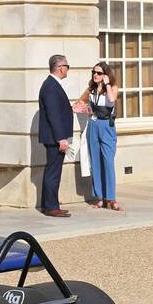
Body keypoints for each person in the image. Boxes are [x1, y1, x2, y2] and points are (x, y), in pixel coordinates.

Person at [79, 62, 121, 211]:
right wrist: (85, 109)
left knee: (108, 161)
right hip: (93, 125)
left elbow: (111, 100)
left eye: (98, 73)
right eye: (93, 73)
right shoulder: (90, 89)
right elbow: (78, 103)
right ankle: (99, 197)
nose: (95, 75)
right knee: (95, 161)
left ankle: (111, 198)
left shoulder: (113, 88)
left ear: (105, 75)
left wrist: (107, 84)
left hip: (107, 126)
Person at [37, 54, 74, 217]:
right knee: (53, 173)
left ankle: (49, 204)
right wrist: (61, 138)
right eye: (67, 66)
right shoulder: (51, 86)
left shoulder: (52, 84)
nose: (68, 69)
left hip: (54, 137)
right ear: (60, 68)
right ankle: (51, 207)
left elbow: (59, 110)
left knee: (52, 171)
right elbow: (53, 114)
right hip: (54, 138)